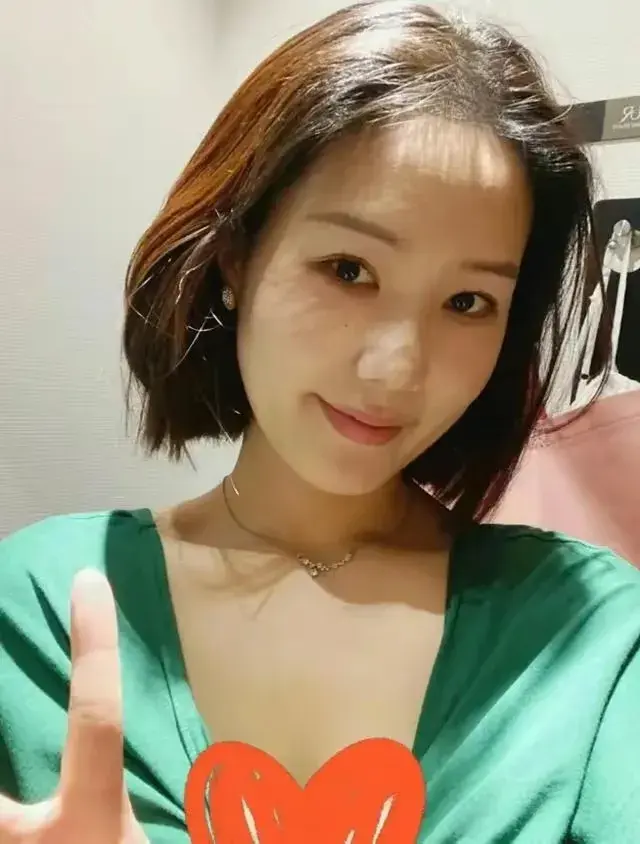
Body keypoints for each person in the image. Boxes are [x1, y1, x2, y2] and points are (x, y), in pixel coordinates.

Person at [1, 1, 639, 841]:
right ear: (236, 257)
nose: (395, 369)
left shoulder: (586, 637)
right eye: (348, 269)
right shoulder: (40, 609)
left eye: (467, 302)